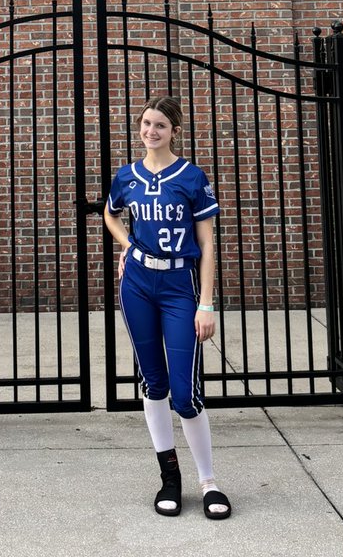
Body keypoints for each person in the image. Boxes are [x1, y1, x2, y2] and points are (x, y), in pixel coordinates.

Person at [103, 95, 231, 520]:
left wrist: (206, 303)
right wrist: (128, 246)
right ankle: (169, 478)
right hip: (138, 284)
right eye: (145, 123)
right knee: (153, 384)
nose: (151, 131)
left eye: (160, 125)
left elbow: (208, 243)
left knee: (185, 394)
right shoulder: (127, 176)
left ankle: (209, 482)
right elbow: (110, 214)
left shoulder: (192, 177)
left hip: (180, 286)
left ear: (174, 130)